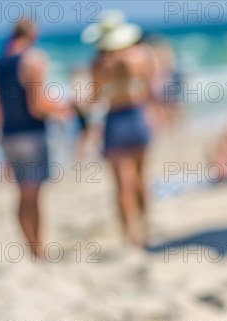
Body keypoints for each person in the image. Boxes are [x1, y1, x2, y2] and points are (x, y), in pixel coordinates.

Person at [0, 20, 68, 259]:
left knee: (22, 193)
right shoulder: (33, 60)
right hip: (33, 134)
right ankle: (39, 249)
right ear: (32, 34)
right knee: (33, 195)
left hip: (8, 135)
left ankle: (31, 247)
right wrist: (63, 110)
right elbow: (37, 106)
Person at [81, 10, 157, 246]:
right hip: (138, 115)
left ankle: (129, 235)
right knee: (141, 177)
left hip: (115, 119)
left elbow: (94, 99)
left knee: (122, 183)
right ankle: (145, 229)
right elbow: (151, 87)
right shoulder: (142, 55)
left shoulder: (99, 63)